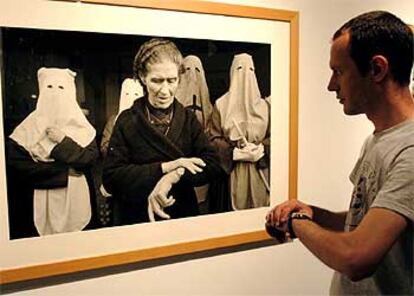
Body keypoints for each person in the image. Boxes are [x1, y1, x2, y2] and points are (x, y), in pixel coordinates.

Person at [266, 11, 413, 295]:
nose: (331, 85)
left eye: (339, 71)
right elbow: (368, 219)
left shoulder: (410, 151)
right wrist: (315, 214)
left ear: (377, 69)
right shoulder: (379, 140)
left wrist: (296, 224)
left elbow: (356, 257)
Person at [102, 38, 224, 225]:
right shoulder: (127, 121)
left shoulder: (188, 119)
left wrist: (173, 176)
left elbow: (213, 164)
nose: (165, 90)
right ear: (143, 77)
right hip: (136, 216)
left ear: (179, 78)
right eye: (157, 81)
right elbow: (112, 177)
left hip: (181, 214)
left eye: (172, 80)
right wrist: (166, 166)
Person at [6, 67, 99, 238]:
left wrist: (62, 141)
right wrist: (64, 172)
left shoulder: (82, 127)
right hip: (34, 204)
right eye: (49, 87)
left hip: (77, 201)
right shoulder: (27, 129)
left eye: (61, 88)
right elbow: (16, 167)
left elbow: (89, 159)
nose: (55, 94)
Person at [208, 53, 270, 212]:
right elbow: (211, 137)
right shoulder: (221, 105)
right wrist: (233, 152)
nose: (244, 75)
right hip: (233, 173)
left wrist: (263, 148)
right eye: (240, 69)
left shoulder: (265, 106)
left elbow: (277, 136)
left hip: (260, 170)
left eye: (250, 69)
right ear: (232, 72)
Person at [175, 55, 213, 209]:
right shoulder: (172, 105)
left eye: (197, 70)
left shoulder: (209, 107)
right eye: (187, 70)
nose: (192, 76)